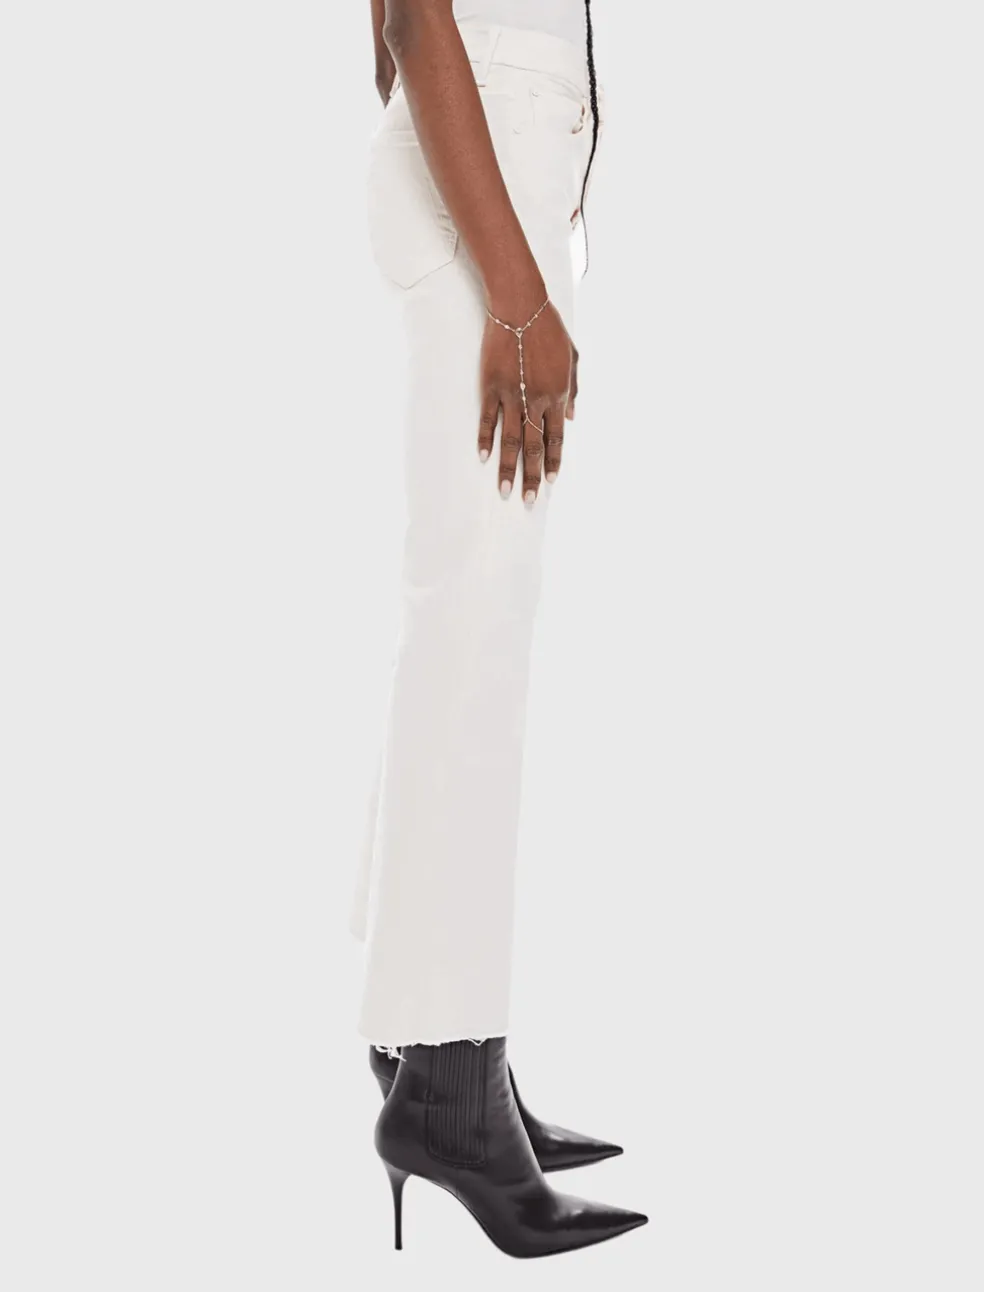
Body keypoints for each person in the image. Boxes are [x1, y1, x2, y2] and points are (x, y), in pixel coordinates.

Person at [351, 1, 647, 1256]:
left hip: (487, 161)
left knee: (459, 627)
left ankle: (424, 1034)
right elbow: (416, 20)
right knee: (474, 642)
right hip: (489, 180)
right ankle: (449, 1084)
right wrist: (517, 292)